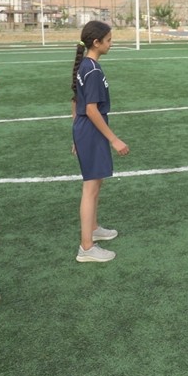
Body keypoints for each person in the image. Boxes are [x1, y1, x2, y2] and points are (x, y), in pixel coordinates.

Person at [71, 21, 129, 263]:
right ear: (97, 43)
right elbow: (92, 110)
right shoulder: (92, 69)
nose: (111, 43)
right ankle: (86, 247)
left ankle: (93, 228)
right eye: (109, 40)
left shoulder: (87, 65)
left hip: (86, 130)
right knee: (91, 187)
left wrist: (76, 135)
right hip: (92, 129)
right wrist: (114, 139)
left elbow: (76, 101)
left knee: (96, 184)